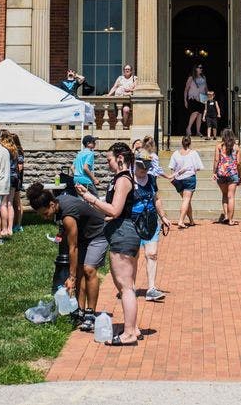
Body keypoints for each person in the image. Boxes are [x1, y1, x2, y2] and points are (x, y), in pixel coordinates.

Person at [75, 142, 141, 345]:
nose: (107, 163)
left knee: (125, 286)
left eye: (109, 159)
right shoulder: (123, 179)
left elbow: (115, 210)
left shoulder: (123, 180)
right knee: (127, 285)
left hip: (123, 235)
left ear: (120, 158)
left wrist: (90, 198)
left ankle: (129, 333)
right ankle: (134, 328)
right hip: (124, 232)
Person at [26, 182, 107, 333]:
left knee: (89, 269)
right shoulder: (58, 205)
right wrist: (75, 274)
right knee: (80, 271)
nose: (45, 217)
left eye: (45, 213)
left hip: (98, 234)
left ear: (52, 204)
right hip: (84, 236)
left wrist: (71, 277)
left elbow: (73, 247)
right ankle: (80, 312)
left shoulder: (67, 215)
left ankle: (90, 314)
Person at [132, 151, 171, 301]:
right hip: (133, 221)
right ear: (135, 164)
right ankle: (131, 287)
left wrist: (163, 216)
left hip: (150, 220)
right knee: (133, 257)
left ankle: (151, 288)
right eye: (141, 167)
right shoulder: (128, 180)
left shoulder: (152, 179)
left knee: (152, 254)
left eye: (147, 167)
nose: (144, 170)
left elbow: (157, 198)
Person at [169, 136, 202, 228]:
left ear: (181, 143)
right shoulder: (193, 153)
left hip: (178, 179)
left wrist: (173, 178)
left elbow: (171, 167)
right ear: (190, 143)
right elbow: (198, 167)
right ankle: (181, 220)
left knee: (186, 201)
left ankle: (191, 220)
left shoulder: (175, 153)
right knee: (186, 200)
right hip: (189, 178)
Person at [213, 129, 241, 225]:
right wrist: (239, 175)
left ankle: (225, 216)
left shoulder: (219, 146)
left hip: (221, 173)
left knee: (225, 195)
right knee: (231, 197)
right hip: (232, 173)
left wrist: (214, 172)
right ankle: (230, 220)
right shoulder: (236, 147)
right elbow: (239, 163)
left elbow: (216, 160)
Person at [106, 64, 137, 128]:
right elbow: (114, 87)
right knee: (118, 114)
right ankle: (120, 126)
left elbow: (137, 89)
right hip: (118, 98)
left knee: (126, 110)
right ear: (124, 71)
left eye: (128, 69)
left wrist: (129, 89)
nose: (127, 70)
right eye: (126, 69)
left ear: (131, 71)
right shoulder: (120, 78)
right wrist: (108, 95)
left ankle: (124, 124)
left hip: (128, 99)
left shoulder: (134, 78)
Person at [184, 63, 208, 138]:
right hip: (193, 98)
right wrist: (185, 100)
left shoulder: (203, 77)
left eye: (201, 68)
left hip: (202, 98)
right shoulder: (191, 78)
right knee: (195, 112)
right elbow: (186, 89)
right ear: (195, 69)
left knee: (200, 115)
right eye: (199, 68)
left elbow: (206, 88)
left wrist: (208, 96)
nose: (201, 69)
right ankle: (188, 128)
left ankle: (198, 131)